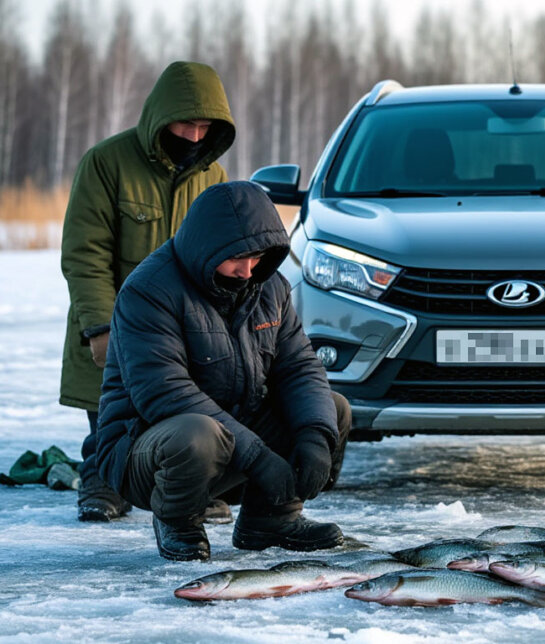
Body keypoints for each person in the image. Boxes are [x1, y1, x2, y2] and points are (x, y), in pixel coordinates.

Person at [92, 181, 351, 561]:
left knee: (332, 407)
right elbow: (164, 392)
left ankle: (272, 519)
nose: (247, 271)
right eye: (237, 257)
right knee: (199, 431)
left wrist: (315, 436)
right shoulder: (148, 291)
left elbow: (299, 367)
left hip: (232, 435)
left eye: (258, 256)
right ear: (207, 247)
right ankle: (177, 520)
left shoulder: (270, 287)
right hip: (144, 449)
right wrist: (258, 457)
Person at [59, 61, 235, 523]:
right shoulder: (106, 162)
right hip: (114, 316)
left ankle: (191, 481)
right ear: (159, 116)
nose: (194, 137)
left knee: (181, 403)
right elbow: (85, 253)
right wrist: (100, 325)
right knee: (112, 410)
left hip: (182, 322)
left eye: (204, 128)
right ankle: (102, 478)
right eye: (185, 124)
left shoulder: (213, 178)